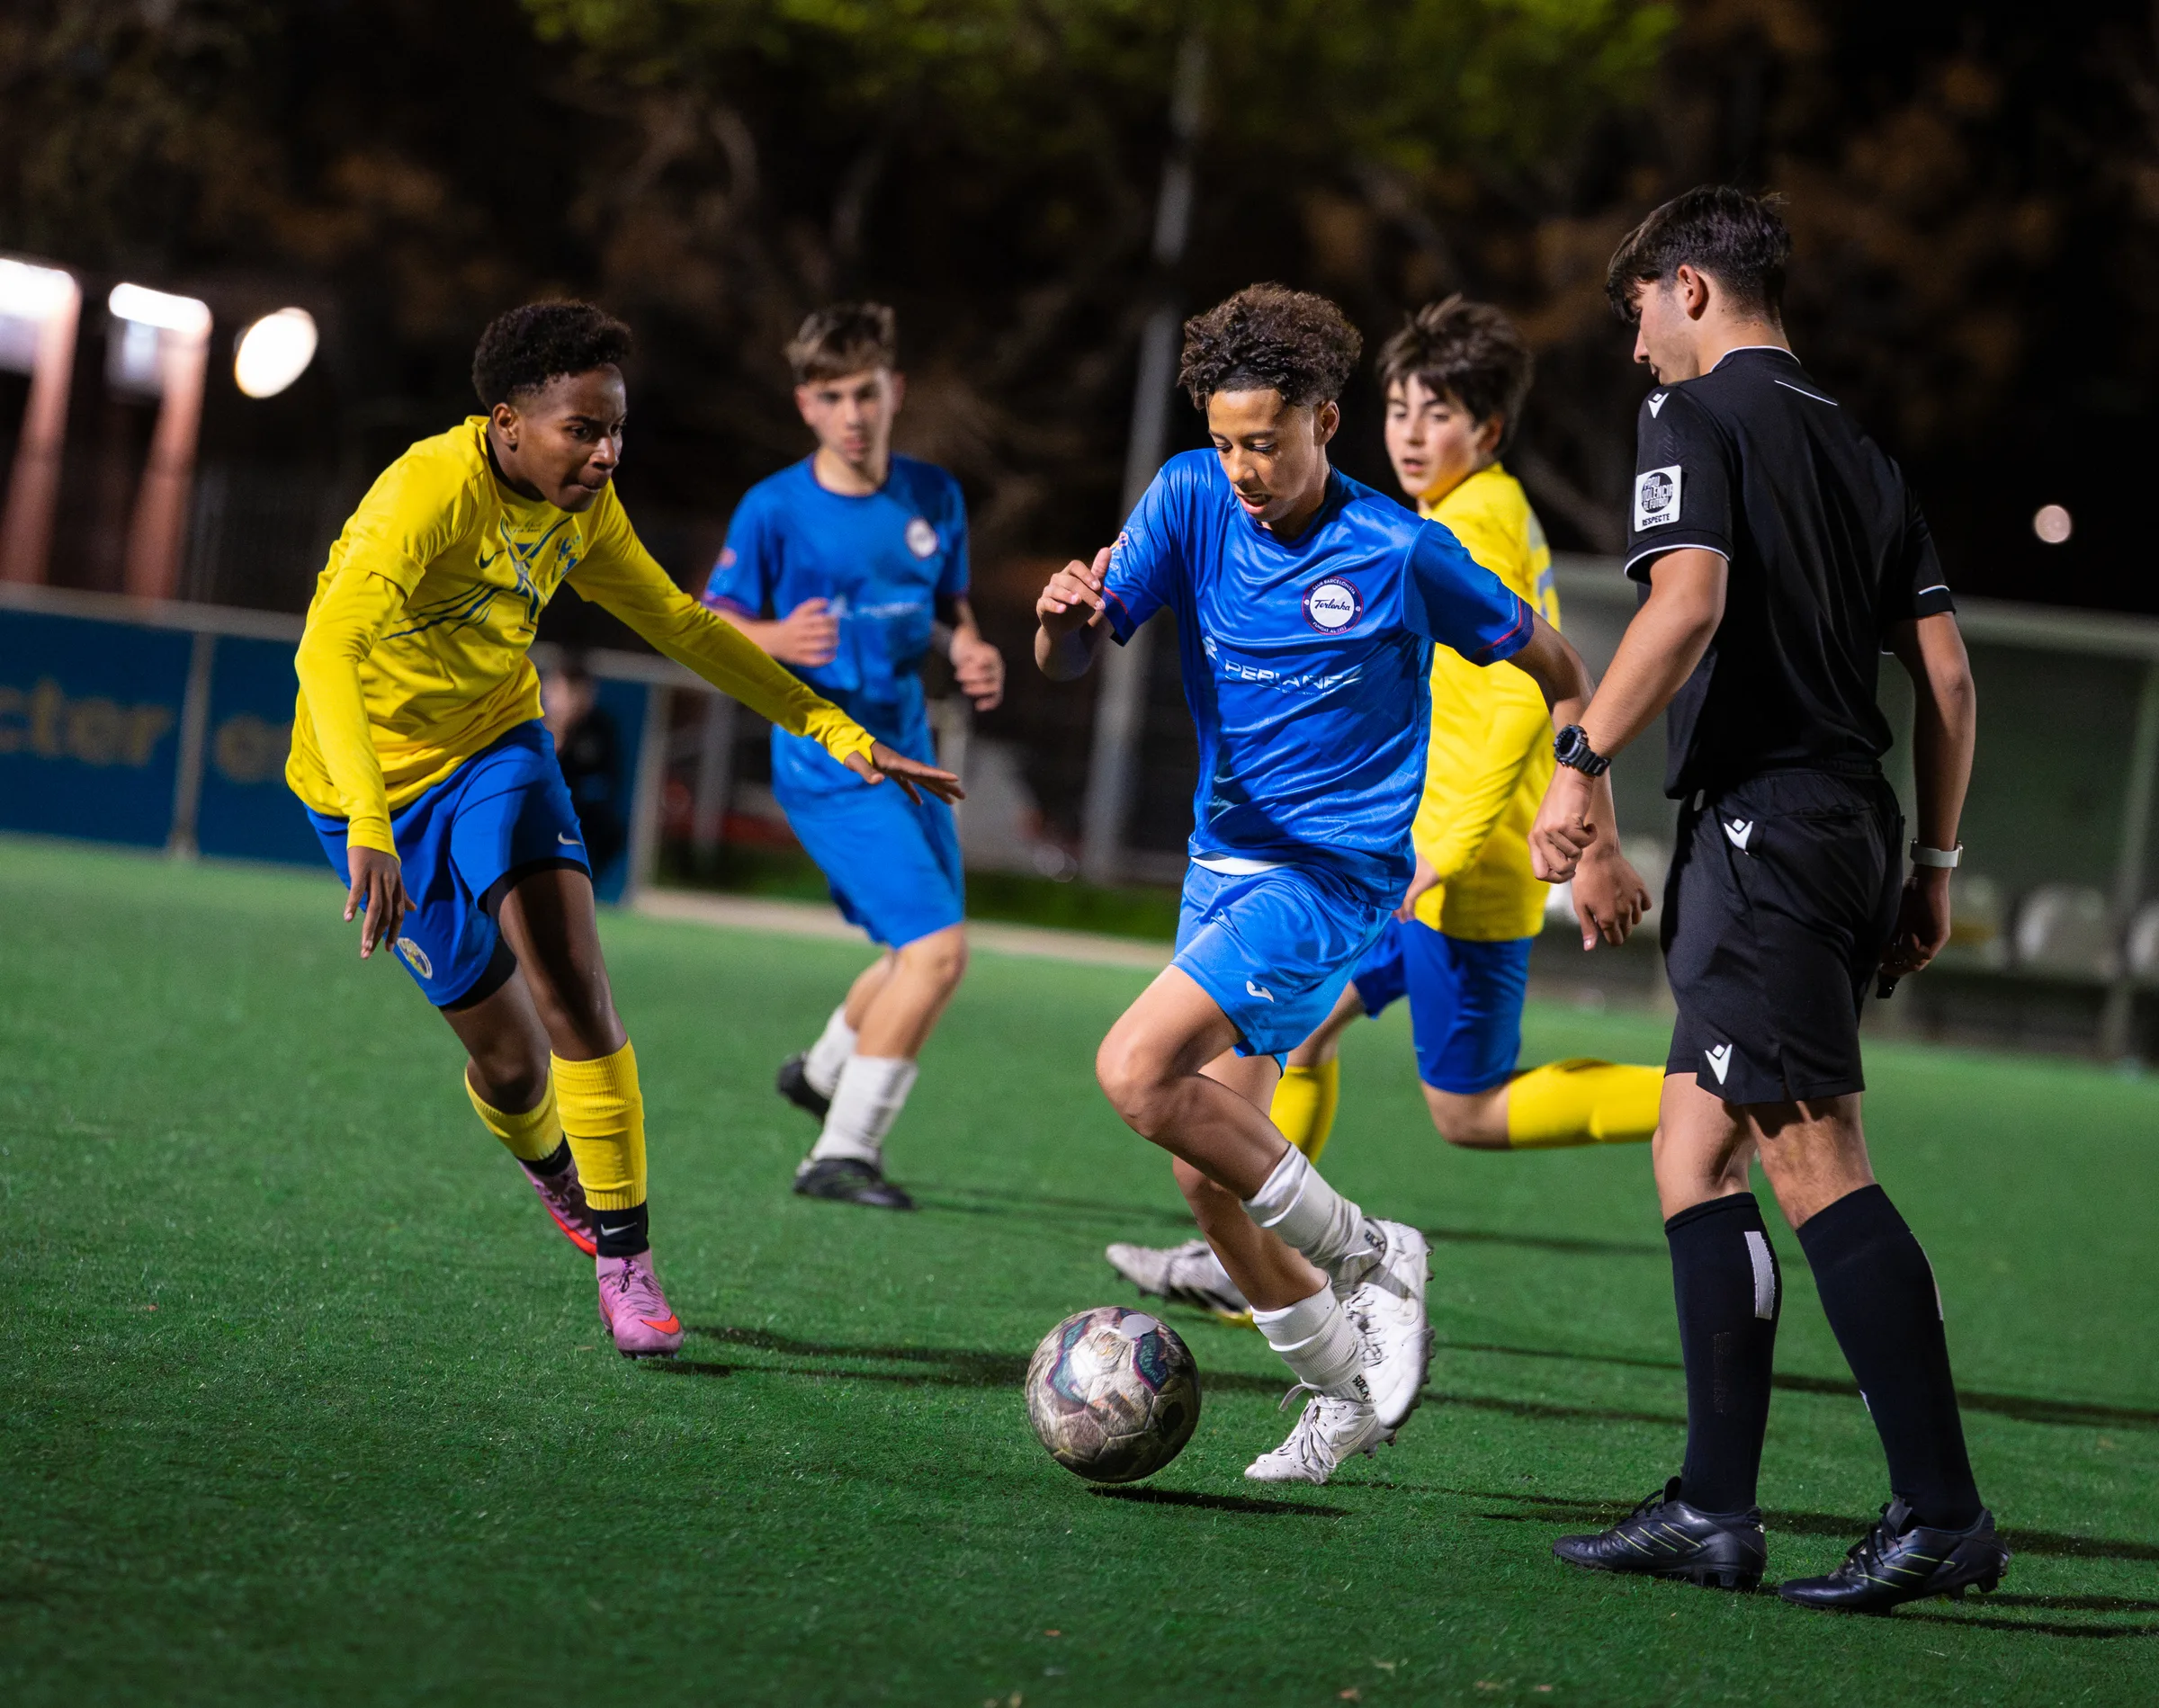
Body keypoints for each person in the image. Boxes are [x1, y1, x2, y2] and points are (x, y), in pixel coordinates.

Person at [1035, 284, 1636, 1484]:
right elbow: (1075, 649)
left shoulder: (1406, 549)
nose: (1243, 466)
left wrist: (1590, 801)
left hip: (1337, 876)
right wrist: (1058, 618)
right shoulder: (1189, 497)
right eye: (1225, 440)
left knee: (1134, 1069)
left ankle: (1375, 1252)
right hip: (1224, 866)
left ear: (1323, 415)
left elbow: (1568, 670)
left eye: (1265, 440)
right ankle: (1339, 1385)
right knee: (1208, 1184)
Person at [288, 300, 957, 1359]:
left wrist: (836, 729)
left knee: (572, 986)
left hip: (499, 747)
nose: (605, 455)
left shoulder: (584, 512)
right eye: (581, 432)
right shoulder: (424, 495)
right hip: (364, 789)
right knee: (508, 1065)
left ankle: (626, 1260)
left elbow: (685, 624)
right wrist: (370, 819)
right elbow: (324, 653)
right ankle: (555, 1170)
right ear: (507, 422)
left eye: (616, 431)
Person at [1534, 188, 2003, 1610]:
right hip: (1849, 827)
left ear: (1688, 288)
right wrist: (1931, 865)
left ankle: (1941, 1510)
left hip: (1768, 834)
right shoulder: (1861, 447)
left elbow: (1684, 605)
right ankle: (1714, 1508)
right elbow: (1951, 683)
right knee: (1692, 1154)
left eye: (1636, 317)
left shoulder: (1695, 420)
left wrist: (1579, 762)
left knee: (1816, 1160)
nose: (1635, 355)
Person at [703, 303, 1004, 1211]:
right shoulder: (774, 508)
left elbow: (949, 607)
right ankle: (840, 1153)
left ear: (894, 391)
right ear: (806, 405)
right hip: (828, 758)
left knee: (913, 949)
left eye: (865, 393)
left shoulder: (933, 497)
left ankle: (825, 1069)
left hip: (912, 749)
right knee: (937, 955)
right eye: (831, 396)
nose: (852, 414)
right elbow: (706, 622)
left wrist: (968, 649)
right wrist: (770, 635)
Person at [540, 651, 626, 879]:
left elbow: (607, 781)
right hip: (536, 813)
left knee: (606, 831)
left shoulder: (598, 729)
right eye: (553, 688)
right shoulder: (533, 728)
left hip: (579, 816)